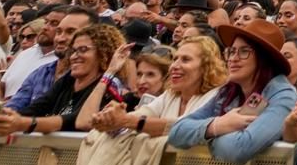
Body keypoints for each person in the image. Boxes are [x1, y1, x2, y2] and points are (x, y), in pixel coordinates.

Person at [169, 19, 297, 163]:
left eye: (244, 52)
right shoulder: (228, 92)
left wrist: (208, 137)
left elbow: (237, 150)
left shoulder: (283, 96)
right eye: (232, 51)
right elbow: (176, 132)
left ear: (264, 59)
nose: (233, 59)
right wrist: (216, 126)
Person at [0, 22, 129, 137]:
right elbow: (37, 107)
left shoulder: (110, 85)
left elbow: (80, 122)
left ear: (104, 53)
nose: (75, 56)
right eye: (74, 51)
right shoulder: (68, 80)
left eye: (83, 49)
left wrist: (23, 123)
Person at [89, 35, 225, 141]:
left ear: (207, 67)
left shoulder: (217, 96)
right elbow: (141, 114)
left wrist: (126, 120)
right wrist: (110, 119)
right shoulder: (170, 95)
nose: (175, 66)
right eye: (175, 59)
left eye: (185, 60)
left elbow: (184, 128)